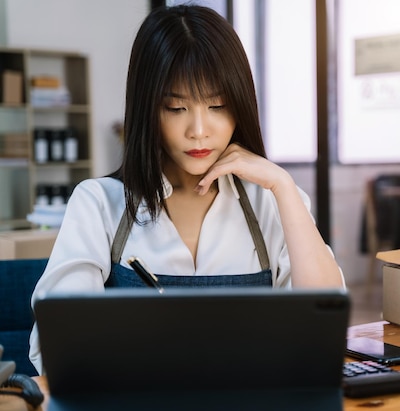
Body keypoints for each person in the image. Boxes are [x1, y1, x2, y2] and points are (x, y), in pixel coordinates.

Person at [28, 4, 345, 375]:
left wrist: (284, 185)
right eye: (176, 107)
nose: (198, 129)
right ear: (148, 108)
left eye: (217, 105)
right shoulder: (99, 204)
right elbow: (57, 350)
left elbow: (326, 325)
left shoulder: (270, 201)